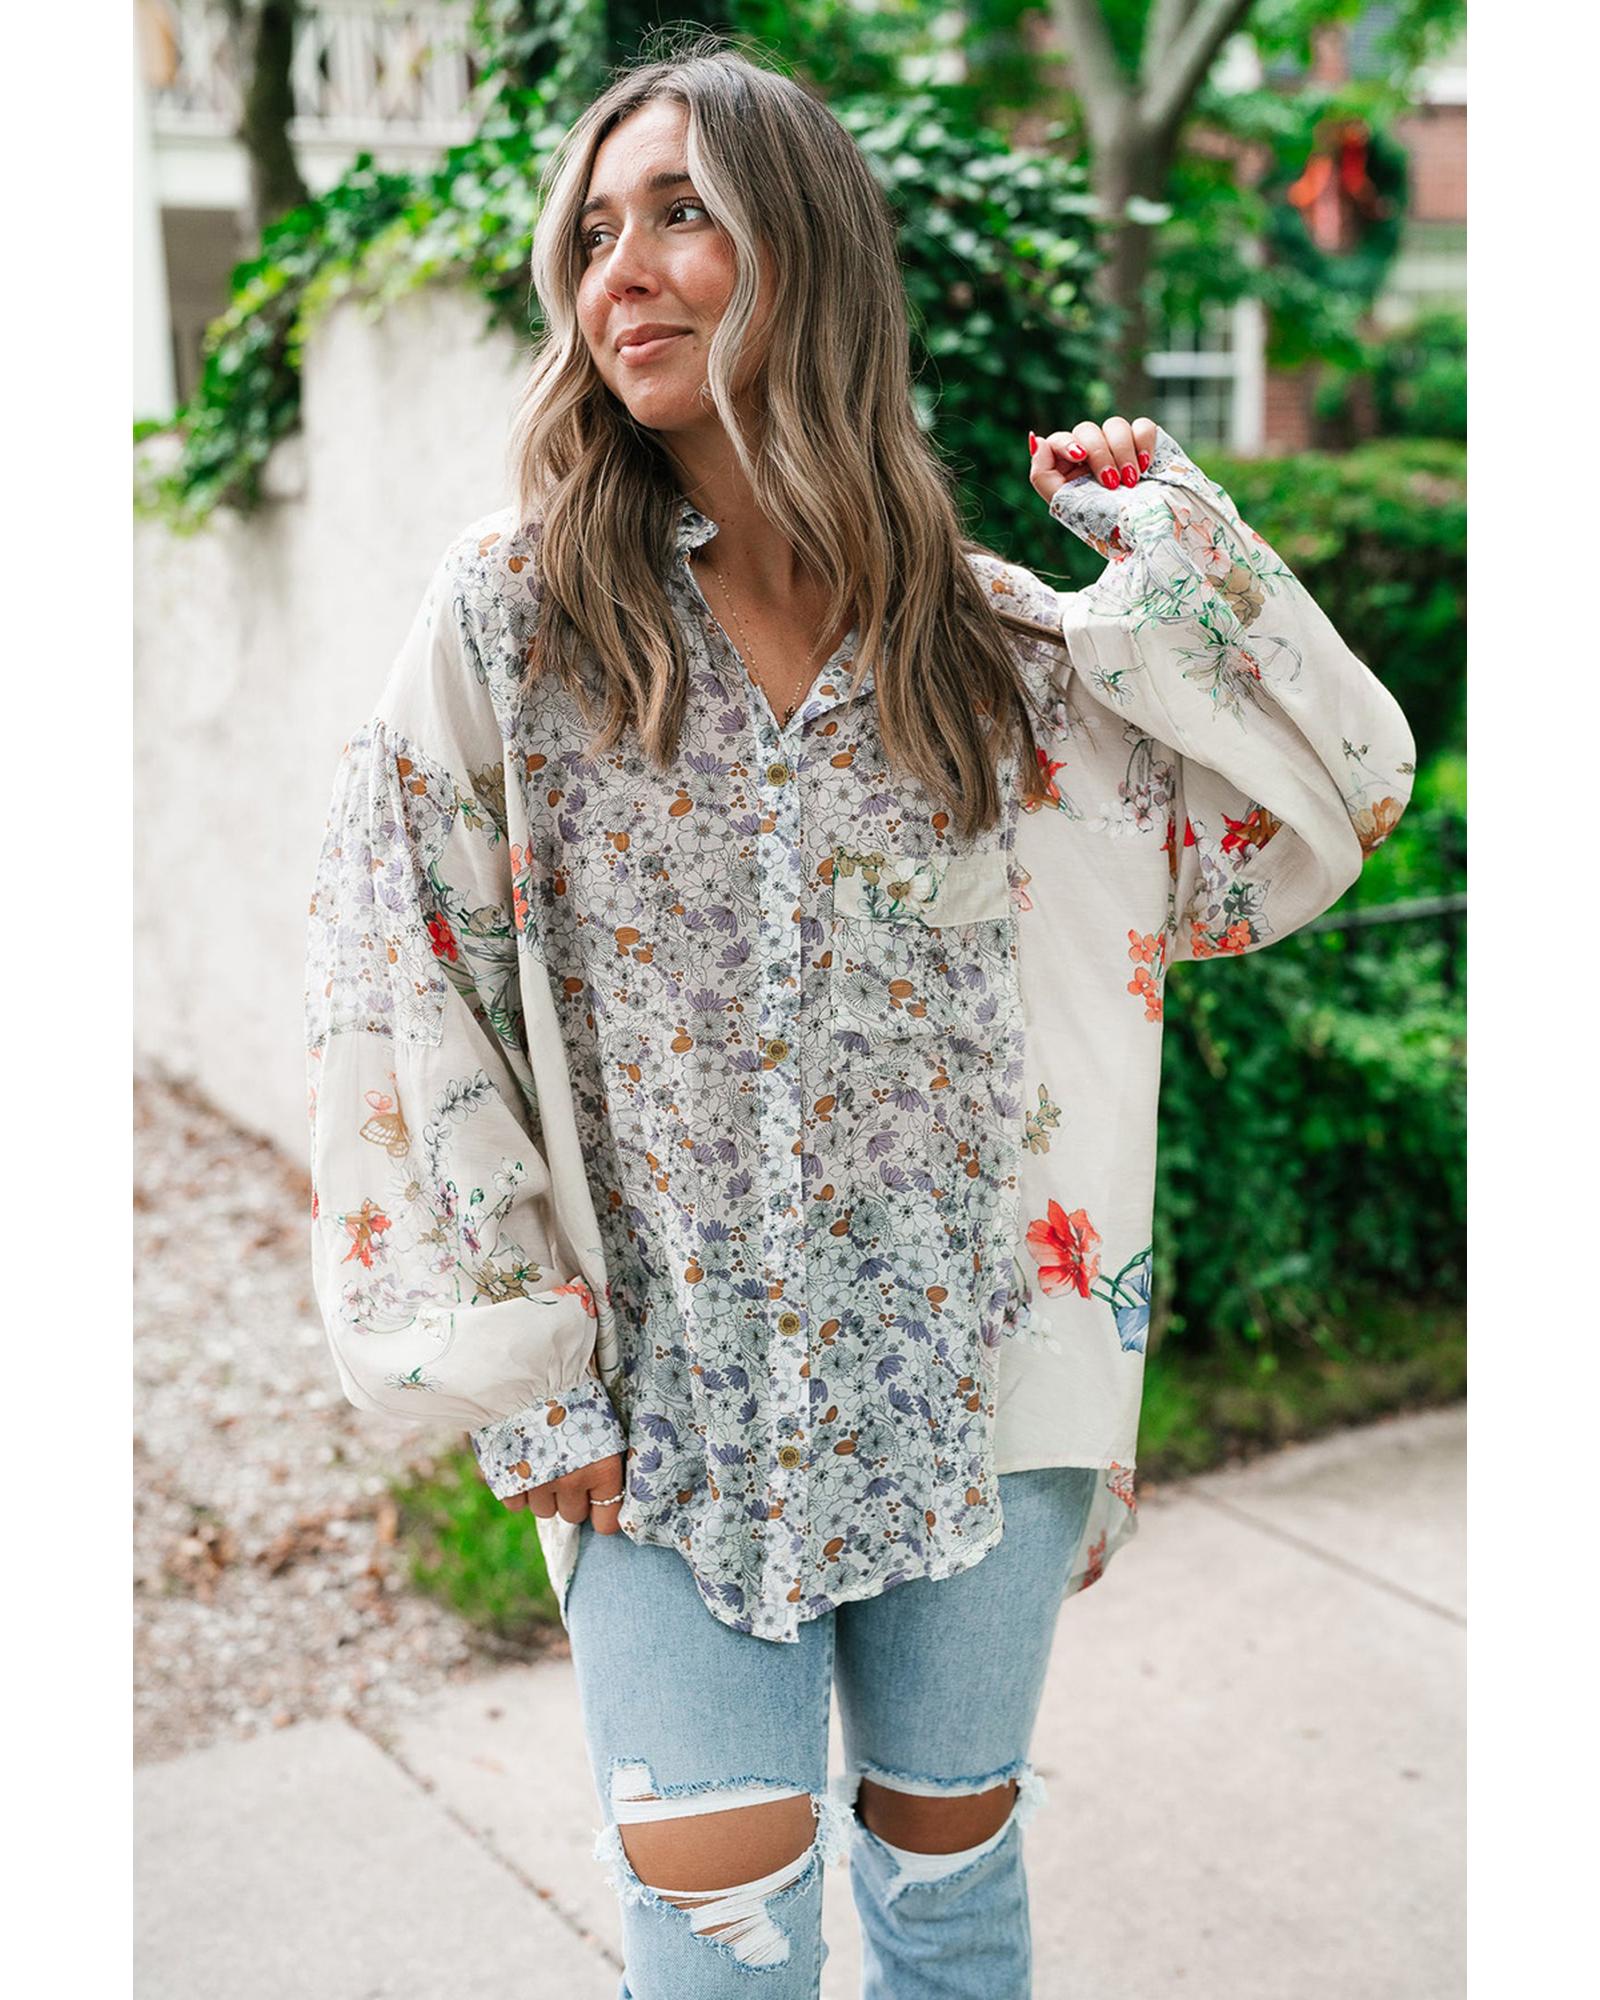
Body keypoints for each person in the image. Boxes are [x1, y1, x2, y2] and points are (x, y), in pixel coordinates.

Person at [303, 36, 1417, 2000]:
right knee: (717, 1942)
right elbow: (407, 973)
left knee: (949, 1903)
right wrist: (521, 1366)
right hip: (661, 1405)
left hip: (973, 1387)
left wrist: (1175, 549)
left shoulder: (991, 652)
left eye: (680, 214)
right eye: (593, 232)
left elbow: (1320, 807)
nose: (620, 271)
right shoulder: (516, 619)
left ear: (803, 250)